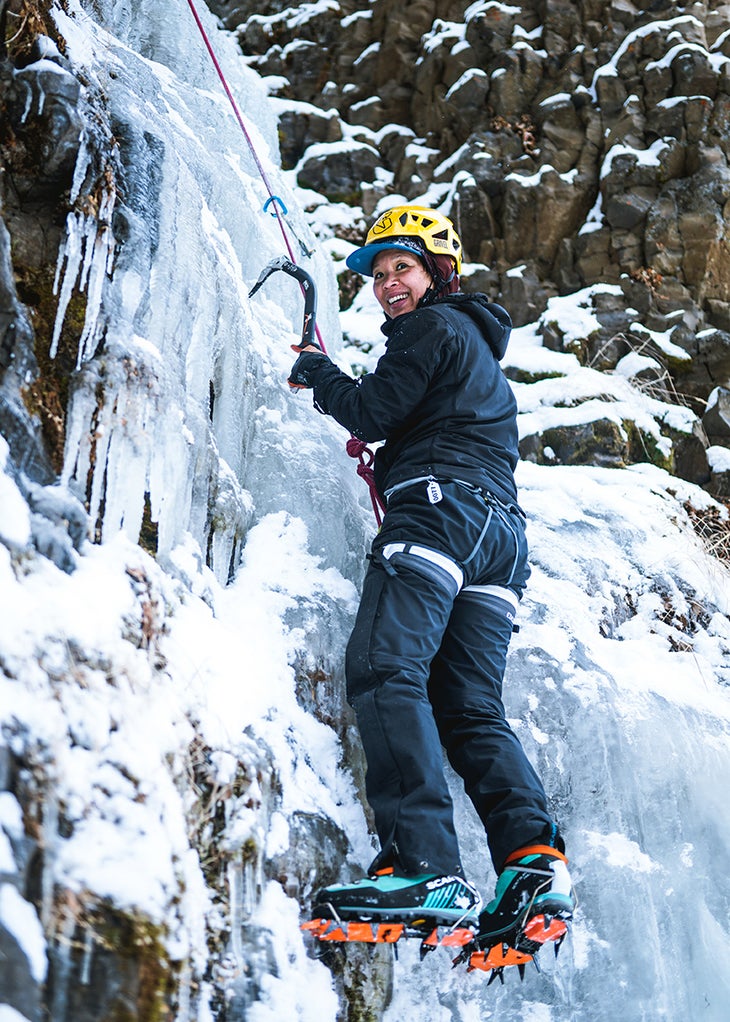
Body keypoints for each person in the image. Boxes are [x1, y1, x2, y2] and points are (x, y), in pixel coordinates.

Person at [287, 205, 574, 951]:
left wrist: (318, 370)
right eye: (379, 276)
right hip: (501, 542)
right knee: (469, 707)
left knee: (386, 668)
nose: (387, 285)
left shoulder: (433, 328)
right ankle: (532, 865)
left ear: (438, 272)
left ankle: (424, 867)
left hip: (440, 515)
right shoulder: (478, 350)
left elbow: (373, 408)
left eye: (401, 269)